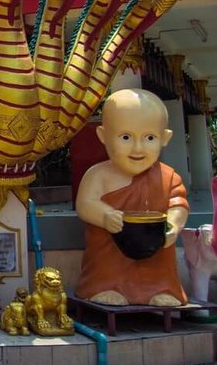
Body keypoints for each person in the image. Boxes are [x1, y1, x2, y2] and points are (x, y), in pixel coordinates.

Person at [74, 88, 190, 306]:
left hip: (155, 247)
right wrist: (106, 215)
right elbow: (85, 204)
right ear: (103, 136)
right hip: (110, 248)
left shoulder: (168, 176)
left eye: (149, 138)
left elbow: (179, 203)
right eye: (125, 137)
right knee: (106, 264)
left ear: (165, 138)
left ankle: (161, 290)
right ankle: (104, 287)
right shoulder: (98, 174)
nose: (138, 148)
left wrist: (173, 225)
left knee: (160, 260)